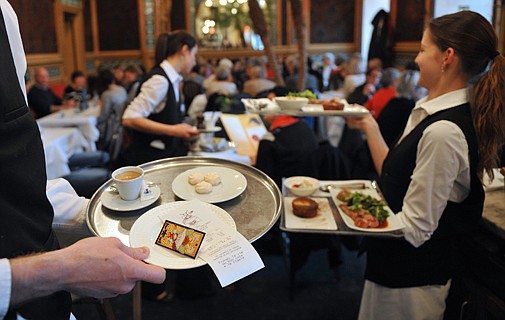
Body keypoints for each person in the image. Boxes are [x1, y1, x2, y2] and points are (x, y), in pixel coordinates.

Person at [0, 1, 166, 319]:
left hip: (49, 303)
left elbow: (19, 182)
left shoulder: (5, 15)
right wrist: (60, 270)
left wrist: (100, 215)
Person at [348, 11, 505, 319]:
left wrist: (344, 220)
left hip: (412, 283)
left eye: (422, 49)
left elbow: (417, 228)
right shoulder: (429, 113)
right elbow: (395, 177)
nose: (416, 59)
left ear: (447, 56)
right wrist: (369, 125)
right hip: (392, 269)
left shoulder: (443, 131)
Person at [121, 30, 199, 165]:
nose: (194, 62)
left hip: (165, 156)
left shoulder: (172, 79)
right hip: (149, 159)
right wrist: (174, 130)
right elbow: (129, 118)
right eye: (194, 55)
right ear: (184, 50)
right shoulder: (159, 80)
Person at [376, 68, 427, 147]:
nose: (425, 91)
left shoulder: (393, 101)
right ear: (414, 89)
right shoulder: (410, 107)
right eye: (422, 88)